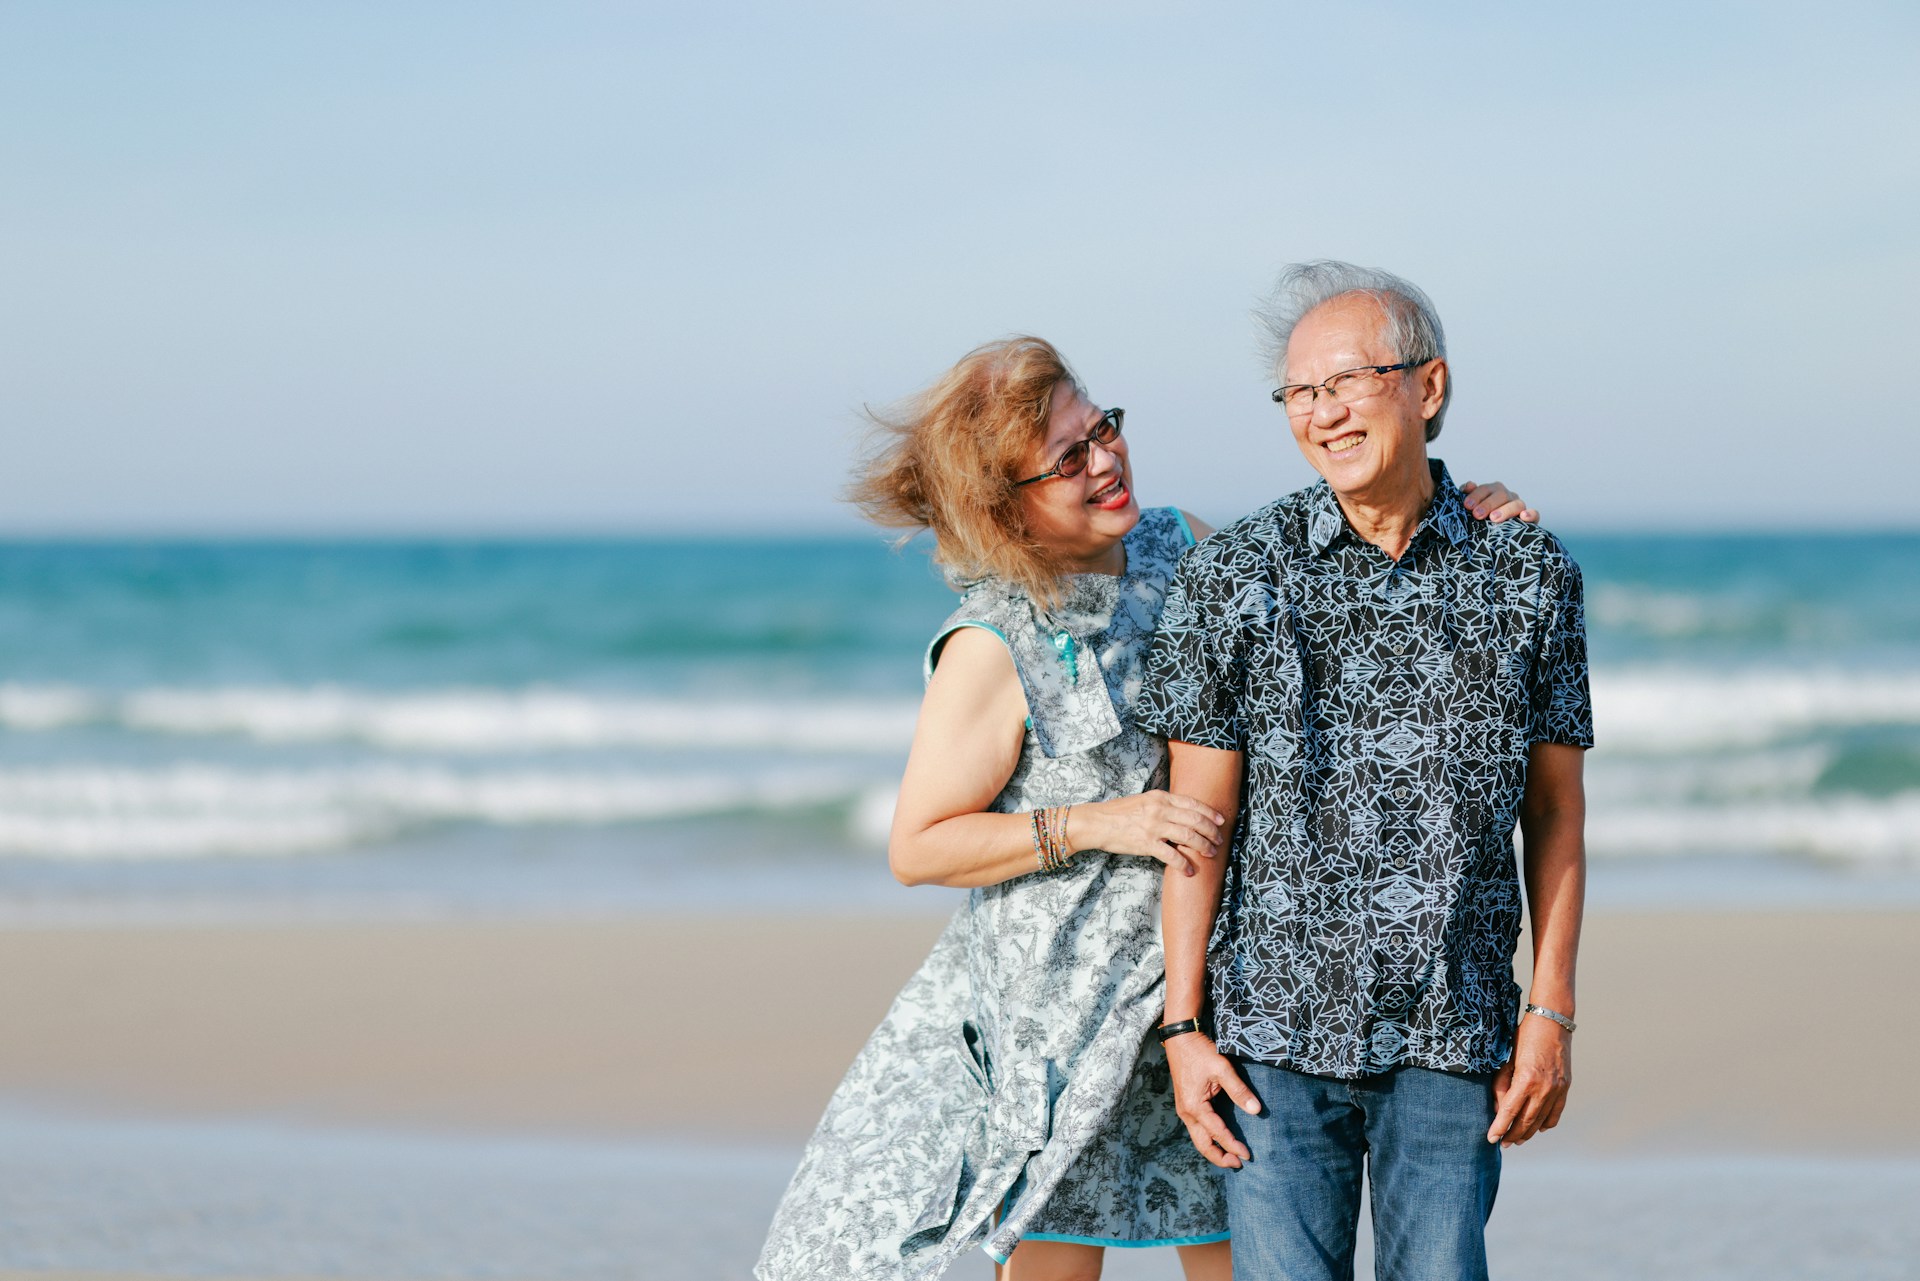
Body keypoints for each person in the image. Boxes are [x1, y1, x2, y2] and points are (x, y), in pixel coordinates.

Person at [755, 335, 1535, 1281]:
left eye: (1103, 430)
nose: (1106, 461)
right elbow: (919, 845)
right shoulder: (994, 642)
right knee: (1057, 1265)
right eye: (1069, 458)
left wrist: (1455, 502)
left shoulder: (1184, 544)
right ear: (1009, 506)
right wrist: (1100, 821)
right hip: (1065, 1025)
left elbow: (1328, 556)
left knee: (1236, 1255)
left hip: (1201, 997)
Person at [1140, 261, 1592, 1281]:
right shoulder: (1236, 574)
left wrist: (1550, 1013)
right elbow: (1194, 822)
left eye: (1346, 382)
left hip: (1455, 1028)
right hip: (1270, 1037)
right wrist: (1182, 1027)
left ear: (1426, 388)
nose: (1322, 412)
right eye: (1299, 393)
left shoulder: (1530, 572)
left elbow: (1555, 816)